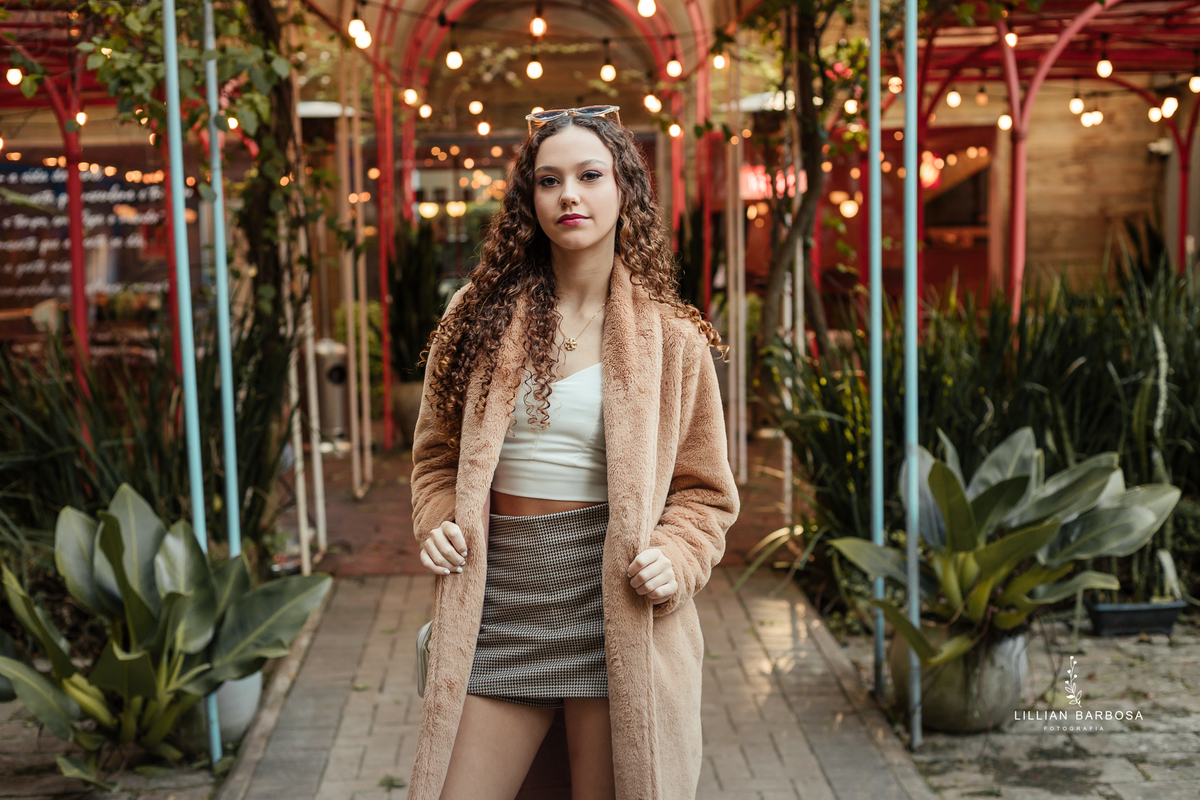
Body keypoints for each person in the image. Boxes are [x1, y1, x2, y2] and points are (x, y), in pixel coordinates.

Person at [406, 105, 740, 800]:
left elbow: (705, 491)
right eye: (550, 180)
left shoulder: (673, 338)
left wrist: (676, 557)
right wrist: (437, 518)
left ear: (624, 190)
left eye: (590, 175)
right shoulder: (475, 316)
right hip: (498, 611)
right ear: (530, 201)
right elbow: (436, 456)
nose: (570, 196)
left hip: (614, 613)